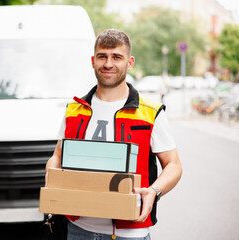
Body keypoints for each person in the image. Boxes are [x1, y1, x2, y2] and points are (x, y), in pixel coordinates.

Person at [46, 29, 182, 240]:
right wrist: (52, 182)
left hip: (130, 232)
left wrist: (154, 191)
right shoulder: (74, 109)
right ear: (93, 61)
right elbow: (58, 155)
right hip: (78, 229)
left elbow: (173, 165)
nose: (108, 64)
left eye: (116, 57)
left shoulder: (150, 112)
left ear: (130, 62)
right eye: (102, 56)